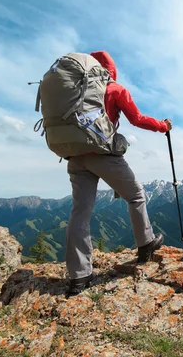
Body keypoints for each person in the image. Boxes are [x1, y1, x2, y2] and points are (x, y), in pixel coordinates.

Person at [66, 50, 171, 296]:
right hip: (102, 154)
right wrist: (162, 126)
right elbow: (137, 119)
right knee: (135, 195)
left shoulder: (74, 89)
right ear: (110, 70)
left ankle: (78, 277)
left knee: (80, 211)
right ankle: (145, 244)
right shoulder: (115, 89)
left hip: (74, 157)